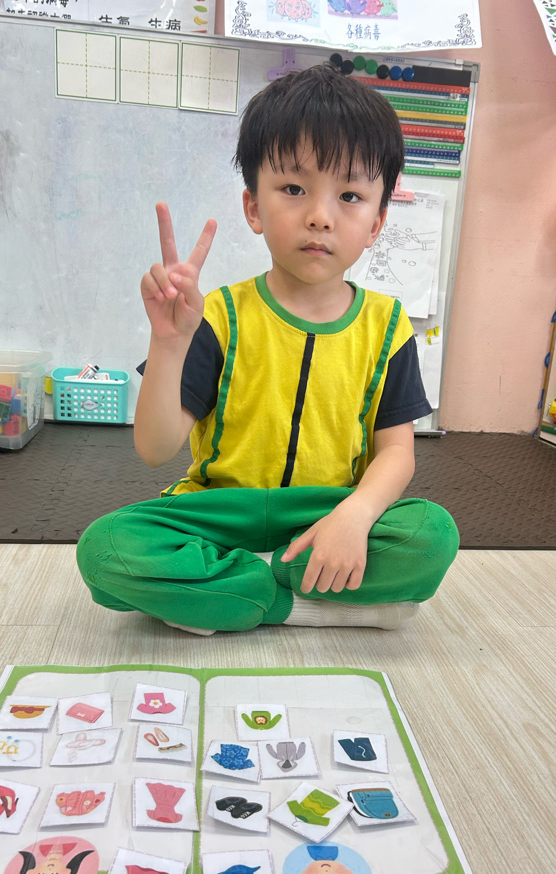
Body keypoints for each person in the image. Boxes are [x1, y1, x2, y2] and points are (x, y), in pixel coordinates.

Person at [76, 62, 459, 635]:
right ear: (254, 207)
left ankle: (229, 592)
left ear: (377, 223)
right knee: (106, 548)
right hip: (216, 515)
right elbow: (155, 449)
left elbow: (397, 454)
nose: (320, 217)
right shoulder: (219, 316)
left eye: (350, 195)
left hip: (325, 513)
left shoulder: (388, 325)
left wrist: (356, 515)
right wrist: (168, 343)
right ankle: (303, 601)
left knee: (431, 535)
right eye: (294, 189)